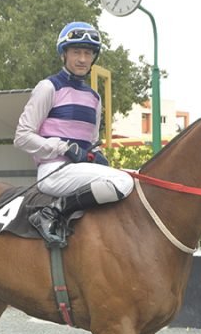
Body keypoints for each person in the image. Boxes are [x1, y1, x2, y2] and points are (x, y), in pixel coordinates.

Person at [14, 21, 133, 245]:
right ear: (64, 54)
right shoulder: (49, 87)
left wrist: (96, 154)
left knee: (136, 178)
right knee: (123, 181)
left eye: (88, 53)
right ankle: (52, 211)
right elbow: (22, 136)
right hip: (54, 171)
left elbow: (91, 142)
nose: (82, 59)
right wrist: (64, 147)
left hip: (80, 171)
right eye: (76, 52)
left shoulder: (94, 98)